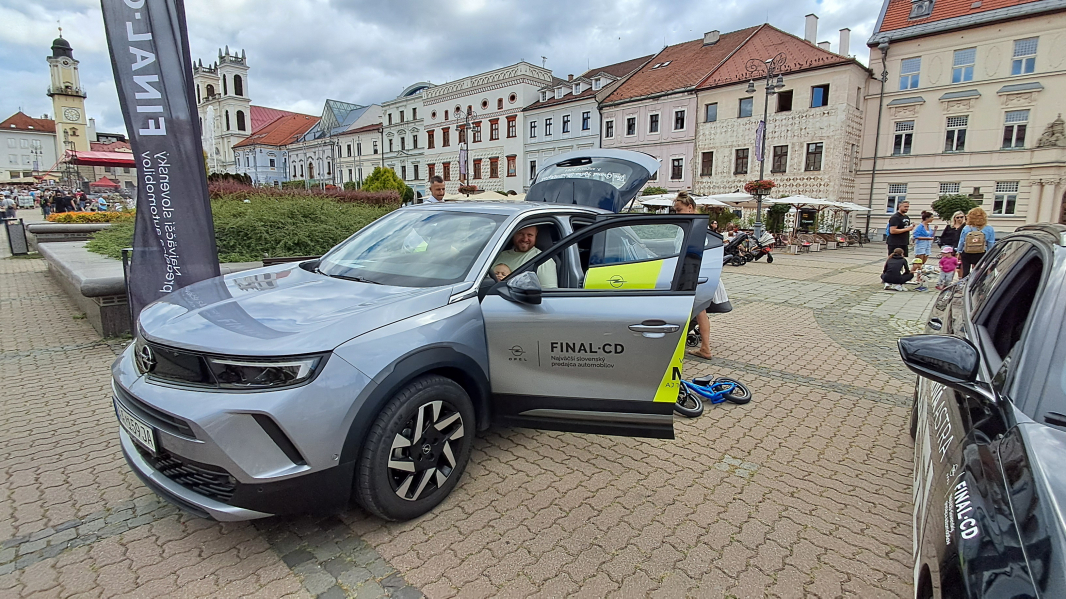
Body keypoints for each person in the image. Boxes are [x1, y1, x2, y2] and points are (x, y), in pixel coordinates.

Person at [672, 191, 728, 360]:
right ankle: (701, 346)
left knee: (699, 311)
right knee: (698, 311)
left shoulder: (695, 227)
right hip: (697, 275)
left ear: (690, 207)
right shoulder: (695, 225)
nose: (677, 213)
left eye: (679, 210)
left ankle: (705, 348)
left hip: (696, 275)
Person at [493, 226, 558, 288]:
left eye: (530, 235)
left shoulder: (543, 260)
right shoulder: (498, 255)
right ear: (513, 234)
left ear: (536, 236)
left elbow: (548, 292)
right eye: (520, 234)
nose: (525, 239)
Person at [956, 207, 995, 278]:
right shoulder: (989, 228)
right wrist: (989, 253)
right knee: (979, 271)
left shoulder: (966, 228)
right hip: (981, 252)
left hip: (967, 252)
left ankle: (965, 282)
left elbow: (961, 241)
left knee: (965, 271)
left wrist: (959, 252)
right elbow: (990, 243)